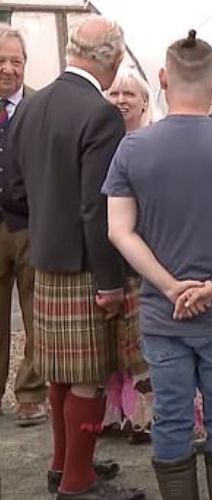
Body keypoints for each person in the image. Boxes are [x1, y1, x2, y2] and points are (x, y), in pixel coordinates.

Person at [104, 30, 212, 500]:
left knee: (173, 418)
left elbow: (119, 230)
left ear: (162, 78)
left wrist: (169, 285)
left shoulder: (132, 149)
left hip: (164, 313)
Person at [9, 15, 145, 500]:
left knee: (61, 373)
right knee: (86, 377)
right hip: (88, 266)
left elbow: (15, 186)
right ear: (110, 58)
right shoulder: (100, 112)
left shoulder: (32, 103)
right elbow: (98, 205)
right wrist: (110, 280)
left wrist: (46, 225)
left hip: (46, 256)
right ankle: (77, 483)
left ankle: (62, 464)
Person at [101, 68, 153, 445]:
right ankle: (113, 416)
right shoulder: (100, 142)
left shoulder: (152, 142)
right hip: (105, 253)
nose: (120, 100)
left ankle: (146, 418)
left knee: (140, 341)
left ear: (145, 102)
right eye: (114, 93)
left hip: (142, 252)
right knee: (111, 340)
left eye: (129, 94)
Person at [0, 23, 47, 427]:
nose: (8, 68)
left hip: (32, 226)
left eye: (16, 60)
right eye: (0, 60)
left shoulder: (40, 106)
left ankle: (31, 396)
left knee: (38, 317)